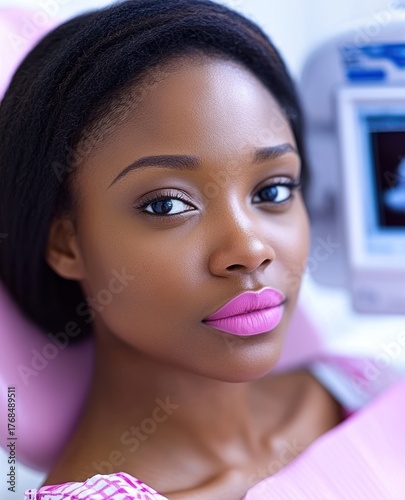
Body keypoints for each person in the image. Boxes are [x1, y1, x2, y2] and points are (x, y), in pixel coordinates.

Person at [0, 1, 343, 497]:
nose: (250, 249)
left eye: (272, 191)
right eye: (166, 205)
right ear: (65, 243)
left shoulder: (356, 387)